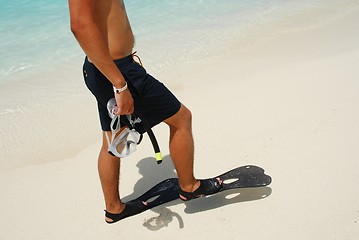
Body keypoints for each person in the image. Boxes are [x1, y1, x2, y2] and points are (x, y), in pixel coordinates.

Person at [68, 0, 222, 224]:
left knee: (113, 138)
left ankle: (114, 208)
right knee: (181, 119)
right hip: (117, 72)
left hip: (102, 69)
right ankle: (190, 187)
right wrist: (120, 84)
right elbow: (80, 25)